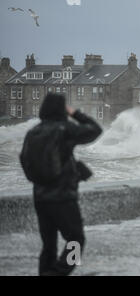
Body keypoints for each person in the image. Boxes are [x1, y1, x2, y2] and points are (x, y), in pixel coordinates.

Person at [20, 93, 102, 276]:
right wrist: (75, 113)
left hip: (40, 197)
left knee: (48, 244)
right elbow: (95, 130)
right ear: (62, 109)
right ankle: (60, 272)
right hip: (63, 197)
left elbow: (24, 160)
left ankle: (46, 272)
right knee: (76, 240)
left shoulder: (33, 132)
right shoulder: (65, 129)